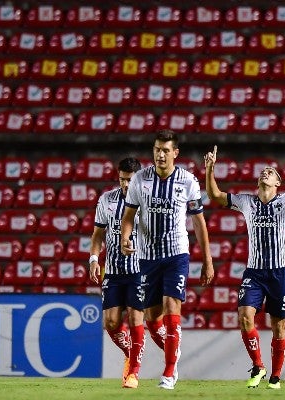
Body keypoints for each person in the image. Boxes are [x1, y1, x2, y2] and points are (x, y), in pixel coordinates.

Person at [204, 144, 285, 389]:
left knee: (278, 326)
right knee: (245, 316)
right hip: (255, 272)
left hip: (281, 272)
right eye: (263, 171)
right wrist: (210, 170)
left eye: (271, 172)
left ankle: (276, 377)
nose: (265, 173)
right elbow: (215, 196)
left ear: (278, 183)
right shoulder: (246, 202)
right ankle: (259, 365)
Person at [120, 130, 214, 390]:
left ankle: (169, 372)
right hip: (148, 256)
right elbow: (129, 216)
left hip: (176, 254)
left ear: (175, 153)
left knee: (173, 307)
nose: (160, 155)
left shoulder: (188, 181)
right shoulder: (140, 179)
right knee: (152, 319)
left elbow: (198, 222)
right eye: (156, 149)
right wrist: (124, 238)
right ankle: (174, 350)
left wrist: (207, 259)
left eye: (165, 150)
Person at [89, 157, 144, 389]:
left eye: (129, 180)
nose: (125, 184)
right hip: (113, 270)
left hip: (139, 270)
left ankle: (133, 373)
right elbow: (98, 235)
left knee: (134, 319)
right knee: (111, 323)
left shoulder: (147, 201)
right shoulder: (106, 200)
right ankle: (132, 352)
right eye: (122, 179)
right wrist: (94, 258)